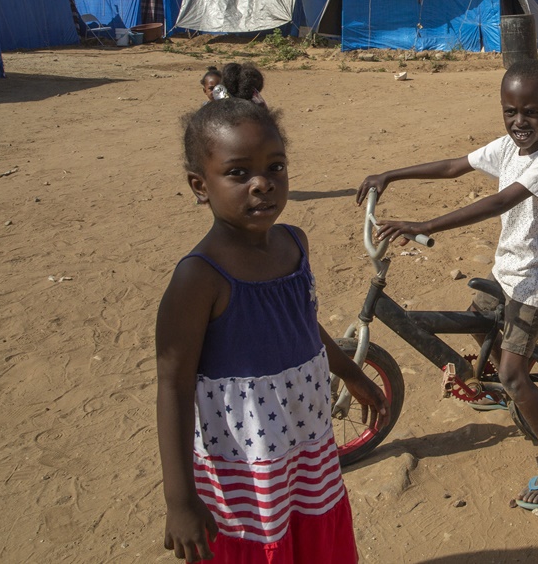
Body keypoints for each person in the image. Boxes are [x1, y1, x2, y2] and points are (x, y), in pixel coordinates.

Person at [156, 98, 388, 563]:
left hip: (306, 442)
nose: (262, 184)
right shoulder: (199, 277)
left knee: (314, 537)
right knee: (261, 547)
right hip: (248, 459)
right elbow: (173, 384)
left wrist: (352, 374)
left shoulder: (293, 244)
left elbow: (303, 325)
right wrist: (180, 500)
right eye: (239, 173)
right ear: (200, 186)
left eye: (275, 167)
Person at [355, 59, 538, 513]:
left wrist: (425, 222)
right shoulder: (507, 147)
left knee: (514, 375)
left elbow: (501, 200)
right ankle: (504, 382)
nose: (520, 122)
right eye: (510, 112)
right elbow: (453, 167)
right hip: (508, 267)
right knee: (480, 325)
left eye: (532, 113)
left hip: (535, 278)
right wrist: (391, 175)